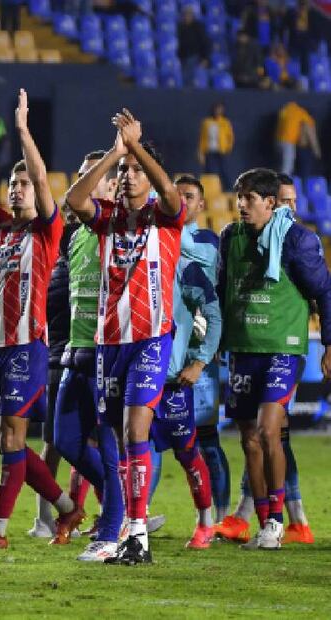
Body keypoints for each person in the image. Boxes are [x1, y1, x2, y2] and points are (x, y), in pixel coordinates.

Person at [0, 90, 83, 552]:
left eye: (24, 184)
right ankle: (68, 507)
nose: (16, 189)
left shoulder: (46, 230)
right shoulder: (1, 226)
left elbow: (47, 183)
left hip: (29, 345)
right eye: (13, 184)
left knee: (13, 437)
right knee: (4, 442)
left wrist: (25, 132)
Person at [64, 109, 186, 565]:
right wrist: (115, 151)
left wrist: (136, 147)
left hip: (152, 337)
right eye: (124, 172)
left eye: (136, 170)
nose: (128, 176)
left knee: (137, 431)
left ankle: (138, 536)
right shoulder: (106, 219)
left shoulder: (165, 216)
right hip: (108, 341)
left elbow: (172, 193)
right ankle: (132, 534)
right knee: (114, 434)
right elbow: (74, 199)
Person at [216, 167, 331, 550]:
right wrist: (216, 337)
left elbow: (324, 291)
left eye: (250, 199)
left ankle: (279, 521)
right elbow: (221, 288)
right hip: (243, 350)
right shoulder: (230, 237)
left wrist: (329, 343)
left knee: (269, 430)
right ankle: (265, 521)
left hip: (284, 347)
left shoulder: (297, 241)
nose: (241, 205)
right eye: (239, 198)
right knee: (249, 438)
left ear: (269, 203)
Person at [52, 152, 127, 562]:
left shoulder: (113, 229)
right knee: (65, 440)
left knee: (111, 448)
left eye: (91, 176)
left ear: (112, 186)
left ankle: (111, 533)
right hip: (74, 351)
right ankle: (123, 502)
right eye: (80, 174)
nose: (82, 181)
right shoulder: (75, 234)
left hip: (106, 353)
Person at [148, 174, 222, 550]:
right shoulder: (138, 251)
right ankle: (130, 520)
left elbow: (212, 313)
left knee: (190, 450)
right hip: (139, 371)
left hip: (176, 374)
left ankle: (208, 518)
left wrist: (200, 359)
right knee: (133, 446)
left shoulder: (190, 257)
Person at [172, 176, 230, 528]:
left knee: (206, 439)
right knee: (149, 437)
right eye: (175, 194)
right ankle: (139, 516)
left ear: (201, 206)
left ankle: (219, 516)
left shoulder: (207, 243)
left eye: (188, 196)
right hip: (166, 351)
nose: (180, 200)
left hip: (199, 356)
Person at [275, 101, 321, 177]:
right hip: (288, 141)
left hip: (278, 141)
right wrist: (316, 150)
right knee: (286, 169)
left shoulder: (287, 110)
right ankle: (283, 187)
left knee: (280, 166)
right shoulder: (303, 114)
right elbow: (311, 134)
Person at [198, 103, 234, 190]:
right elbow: (202, 137)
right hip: (209, 150)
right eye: (216, 109)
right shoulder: (206, 122)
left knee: (224, 170)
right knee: (209, 171)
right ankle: (209, 189)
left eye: (220, 109)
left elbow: (230, 137)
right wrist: (201, 152)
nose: (218, 111)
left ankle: (228, 190)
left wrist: (227, 148)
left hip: (221, 150)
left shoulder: (225, 122)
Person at [178, 6, 210, 83]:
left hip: (194, 55)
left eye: (189, 15)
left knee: (189, 77)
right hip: (183, 56)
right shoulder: (181, 27)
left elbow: (204, 42)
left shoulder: (198, 27)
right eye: (185, 15)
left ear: (192, 16)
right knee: (185, 78)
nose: (186, 17)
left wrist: (205, 58)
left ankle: (189, 92)